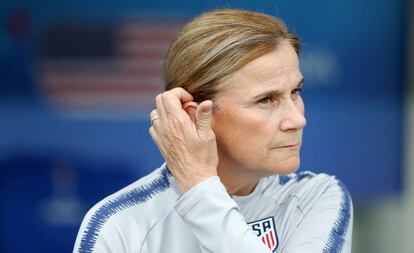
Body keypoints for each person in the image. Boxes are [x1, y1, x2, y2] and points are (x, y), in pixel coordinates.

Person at [74, 8, 353, 253]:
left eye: (295, 92)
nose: (297, 119)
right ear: (193, 113)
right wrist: (200, 186)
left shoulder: (316, 197)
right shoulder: (118, 224)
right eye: (266, 100)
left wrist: (198, 188)